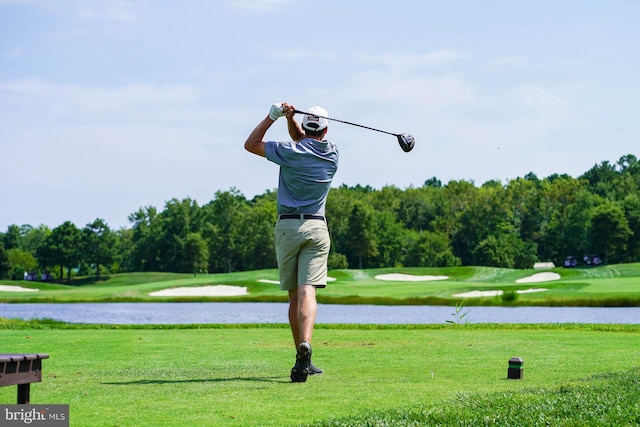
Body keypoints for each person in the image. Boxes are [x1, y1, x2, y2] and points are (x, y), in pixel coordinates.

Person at [244, 102, 339, 382]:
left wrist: (274, 116)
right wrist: (291, 119)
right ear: (326, 129)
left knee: (293, 296)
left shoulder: (289, 151)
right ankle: (306, 347)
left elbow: (252, 144)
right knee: (308, 290)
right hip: (316, 228)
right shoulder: (333, 154)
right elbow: (304, 139)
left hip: (287, 226)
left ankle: (301, 353)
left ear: (306, 125)